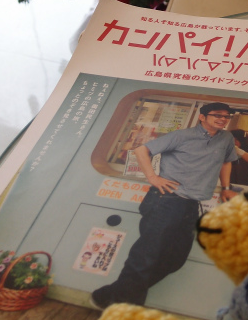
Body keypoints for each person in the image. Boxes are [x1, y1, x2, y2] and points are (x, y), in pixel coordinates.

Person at [90, 102, 238, 309]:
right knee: (145, 256)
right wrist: (153, 177)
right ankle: (124, 309)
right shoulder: (182, 135)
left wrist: (226, 187)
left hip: (191, 205)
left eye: (226, 116)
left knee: (175, 259)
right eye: (217, 115)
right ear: (202, 117)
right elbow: (142, 150)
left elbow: (226, 161)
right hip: (165, 200)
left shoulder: (226, 138)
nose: (223, 119)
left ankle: (107, 295)